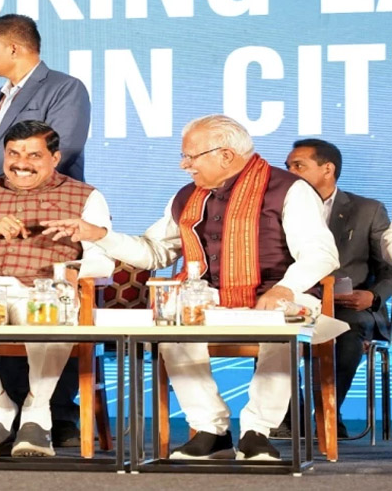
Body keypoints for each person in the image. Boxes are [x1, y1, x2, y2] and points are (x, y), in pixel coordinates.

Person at [47, 114, 340, 461]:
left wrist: (285, 289)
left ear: (226, 155)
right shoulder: (187, 196)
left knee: (279, 323)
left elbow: (321, 254)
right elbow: (154, 252)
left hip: (277, 293)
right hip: (209, 297)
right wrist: (99, 235)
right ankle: (211, 430)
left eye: (190, 156)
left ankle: (257, 432)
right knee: (172, 324)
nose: (184, 165)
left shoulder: (289, 189)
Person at [0, 120, 113, 457]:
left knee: (47, 316)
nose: (21, 163)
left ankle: (36, 415)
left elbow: (103, 262)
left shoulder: (85, 196)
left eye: (34, 155)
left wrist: (68, 271)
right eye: (13, 153)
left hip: (41, 289)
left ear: (55, 158)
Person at [0, 14, 92, 447]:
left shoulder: (64, 88)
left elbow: (65, 146)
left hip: (48, 210)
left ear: (14, 48)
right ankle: (7, 412)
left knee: (47, 298)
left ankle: (56, 415)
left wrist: (17, 187)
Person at [281, 138, 391, 438]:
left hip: (349, 305)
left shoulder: (367, 210)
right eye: (287, 166)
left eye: (298, 165)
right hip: (295, 303)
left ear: (327, 169)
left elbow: (388, 267)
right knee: (270, 331)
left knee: (348, 328)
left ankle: (327, 413)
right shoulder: (277, 208)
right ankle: (289, 416)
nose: (289, 172)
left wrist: (374, 296)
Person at [0, 13, 89, 183]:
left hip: (43, 197)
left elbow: (63, 151)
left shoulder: (65, 88)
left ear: (13, 49)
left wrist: (9, 192)